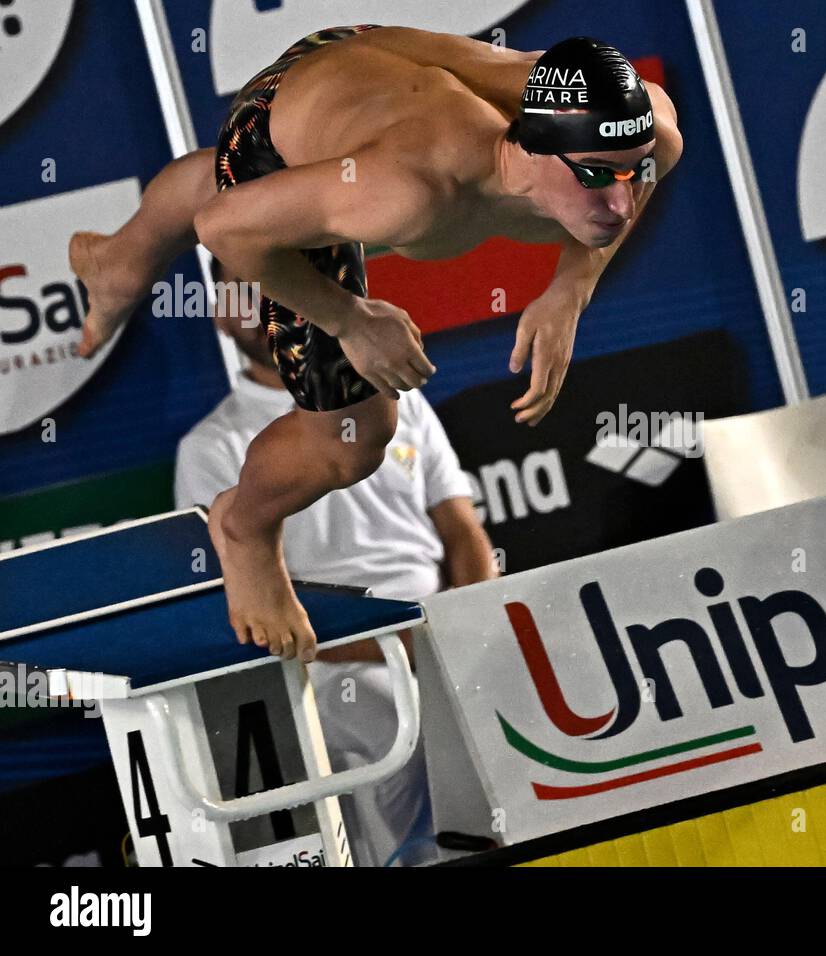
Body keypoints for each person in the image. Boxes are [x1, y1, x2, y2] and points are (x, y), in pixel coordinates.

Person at [72, 29, 683, 662]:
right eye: (593, 176)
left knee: (327, 192)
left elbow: (631, 171)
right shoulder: (408, 191)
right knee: (354, 437)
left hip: (370, 74)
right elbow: (222, 228)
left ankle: (117, 264)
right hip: (283, 121)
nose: (619, 201)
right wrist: (349, 319)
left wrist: (570, 291)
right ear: (528, 151)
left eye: (631, 172)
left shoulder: (649, 131)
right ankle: (245, 526)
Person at [175, 256, 498, 866]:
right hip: (331, 664)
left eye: (275, 282)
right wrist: (400, 647)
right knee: (392, 724)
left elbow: (462, 531)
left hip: (446, 634)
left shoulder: (393, 399)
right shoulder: (212, 448)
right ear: (221, 314)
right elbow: (248, 607)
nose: (264, 304)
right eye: (242, 290)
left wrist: (473, 622)